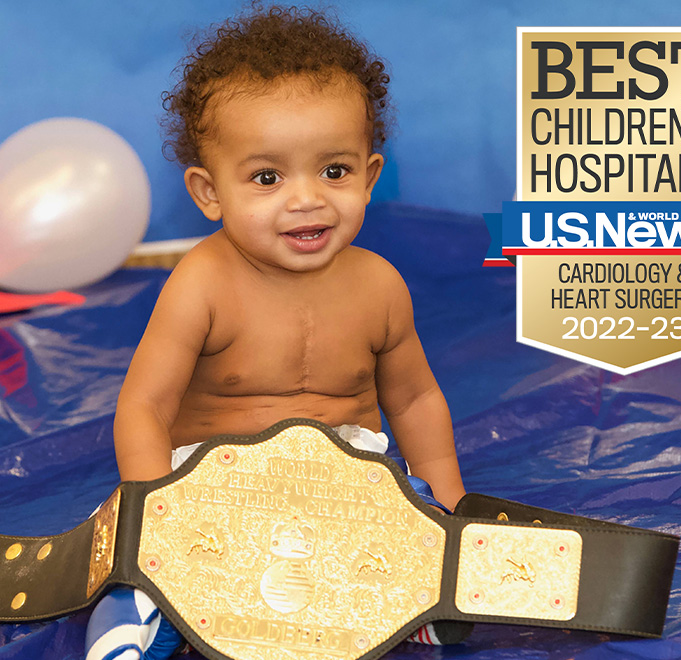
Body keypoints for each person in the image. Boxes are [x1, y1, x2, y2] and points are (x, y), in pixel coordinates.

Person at [86, 5, 469, 658]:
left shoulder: (380, 286)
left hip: (347, 486)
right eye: (267, 178)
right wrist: (159, 513)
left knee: (414, 529)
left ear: (370, 176)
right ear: (210, 193)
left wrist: (454, 513)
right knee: (132, 560)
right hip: (213, 483)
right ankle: (138, 618)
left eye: (334, 171)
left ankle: (420, 600)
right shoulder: (201, 285)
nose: (306, 199)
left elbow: (414, 401)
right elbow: (144, 406)